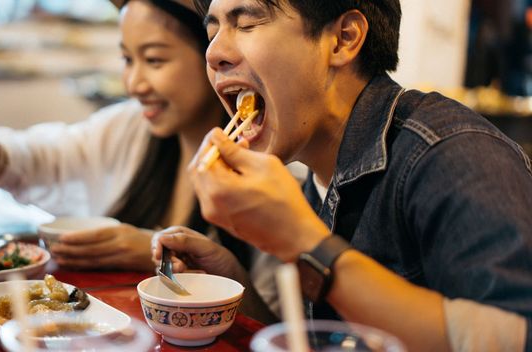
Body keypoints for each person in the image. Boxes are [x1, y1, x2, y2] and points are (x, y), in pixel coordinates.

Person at [151, 0, 532, 351]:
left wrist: (304, 242)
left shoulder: (453, 155)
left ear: (343, 39)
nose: (214, 53)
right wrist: (232, 279)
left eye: (247, 23)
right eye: (212, 31)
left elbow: (516, 336)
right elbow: (321, 341)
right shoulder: (315, 174)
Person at [0, 0, 283, 322]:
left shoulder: (270, 163)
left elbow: (276, 321)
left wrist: (153, 251)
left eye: (153, 60)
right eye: (126, 59)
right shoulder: (131, 128)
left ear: (211, 54)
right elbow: (45, 156)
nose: (133, 83)